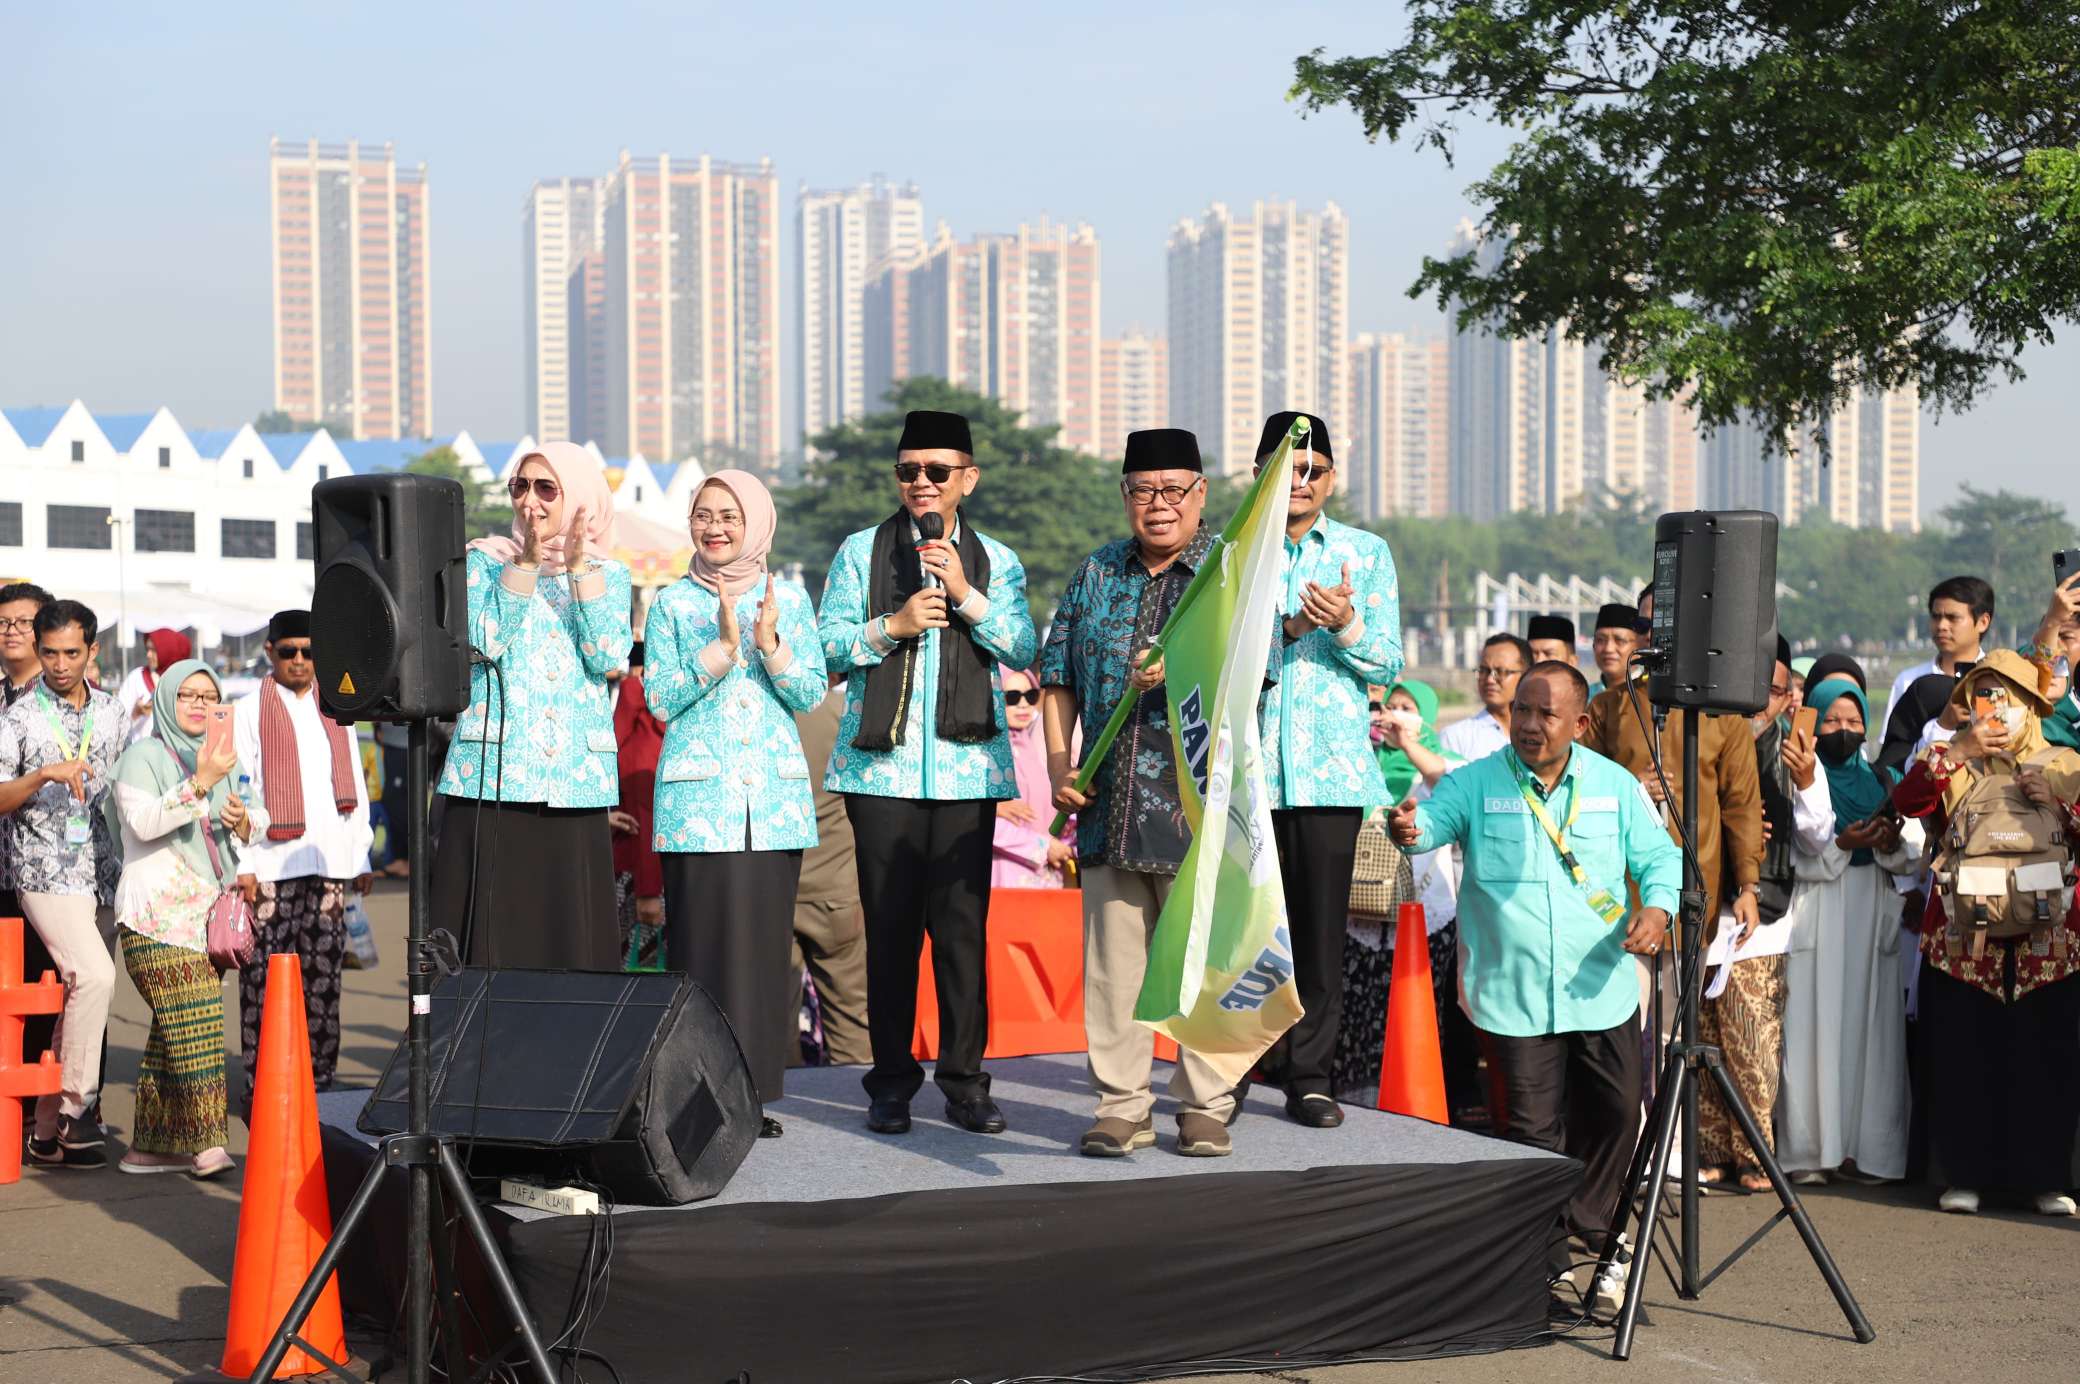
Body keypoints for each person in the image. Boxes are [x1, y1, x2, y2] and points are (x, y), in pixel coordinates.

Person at [1389, 660, 1678, 1309]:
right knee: (1532, 1130)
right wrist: (1407, 830)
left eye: (1545, 714)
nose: (1528, 723)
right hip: (1511, 992)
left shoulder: (1612, 785)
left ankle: (1597, 1232)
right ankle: (1548, 1260)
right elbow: (1428, 824)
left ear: (1578, 723)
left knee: (1615, 1113)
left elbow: (1661, 857)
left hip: (1600, 986)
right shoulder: (1476, 781)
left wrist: (1657, 909)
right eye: (1521, 709)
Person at [819, 410, 1038, 1137]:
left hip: (968, 772)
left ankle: (965, 1082)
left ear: (967, 479)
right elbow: (826, 647)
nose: (922, 483)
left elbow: (1021, 644)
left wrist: (965, 595)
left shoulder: (997, 560)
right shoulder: (859, 552)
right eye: (909, 470)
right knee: (888, 933)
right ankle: (889, 1082)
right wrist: (895, 625)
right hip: (879, 775)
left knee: (961, 934)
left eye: (937, 471)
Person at [1042, 427, 1242, 1158]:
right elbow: (1055, 673)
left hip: (1196, 806)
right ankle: (1122, 1104)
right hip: (1109, 801)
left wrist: (1180, 668)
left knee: (1199, 959)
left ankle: (1203, 1101)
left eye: (1173, 490)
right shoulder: (1095, 573)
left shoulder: (1229, 572)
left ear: (1201, 495)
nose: (1158, 506)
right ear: (1125, 496)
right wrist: (1064, 765)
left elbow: (1256, 677)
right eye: (1142, 491)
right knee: (1112, 964)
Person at [647, 471, 827, 1135]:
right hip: (699, 808)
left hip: (773, 808)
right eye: (703, 514)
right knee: (701, 954)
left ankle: (751, 1098)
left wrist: (769, 644)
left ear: (755, 522)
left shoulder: (792, 601)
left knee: (761, 960)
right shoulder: (669, 604)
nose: (715, 526)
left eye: (728, 514)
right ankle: (694, 1098)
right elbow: (661, 699)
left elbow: (810, 693)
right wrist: (721, 650)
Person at [1248, 412, 1406, 1128]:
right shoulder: (1233, 553)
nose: (1302, 482)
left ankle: (1311, 1074)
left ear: (1332, 477)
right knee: (1248, 926)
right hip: (1248, 770)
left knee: (1317, 931)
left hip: (1329, 774)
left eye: (1314, 470)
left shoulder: (1364, 554)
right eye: (1289, 470)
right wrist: (1289, 628)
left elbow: (1387, 664)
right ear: (1260, 477)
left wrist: (1343, 625)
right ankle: (1244, 1061)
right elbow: (1220, 660)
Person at [431, 441, 632, 970]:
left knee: (569, 945)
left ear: (582, 497)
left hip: (574, 783)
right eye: (521, 487)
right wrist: (523, 565)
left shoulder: (608, 574)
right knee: (490, 945)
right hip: (493, 776)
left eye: (547, 488)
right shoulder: (482, 560)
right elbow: (482, 641)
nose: (530, 502)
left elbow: (608, 654)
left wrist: (579, 570)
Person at [1893, 650, 2080, 1215]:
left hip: (2048, 941)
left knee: (2045, 1052)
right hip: (1961, 937)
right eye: (1984, 695)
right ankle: (1962, 1174)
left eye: (2006, 697)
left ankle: (2045, 1178)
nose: (1994, 708)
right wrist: (1959, 753)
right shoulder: (1948, 758)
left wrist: (2061, 809)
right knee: (1961, 1052)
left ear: (2030, 706)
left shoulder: (2066, 762)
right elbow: (1907, 804)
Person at [104, 659, 249, 1177]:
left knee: (172, 1034)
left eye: (208, 697)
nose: (199, 705)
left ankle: (149, 1147)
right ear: (166, 697)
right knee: (198, 1022)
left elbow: (244, 828)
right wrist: (201, 784)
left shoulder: (219, 756)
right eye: (187, 694)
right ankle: (208, 1143)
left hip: (203, 922)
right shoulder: (142, 755)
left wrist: (241, 819)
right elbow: (142, 824)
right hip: (152, 919)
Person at [229, 610, 374, 1106]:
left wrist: (361, 859)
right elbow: (238, 791)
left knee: (323, 979)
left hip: (330, 864)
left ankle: (319, 1083)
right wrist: (242, 862)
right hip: (269, 866)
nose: (299, 660)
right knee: (264, 980)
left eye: (308, 652)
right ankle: (263, 1083)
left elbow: (355, 783)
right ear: (270, 652)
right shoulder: (248, 711)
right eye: (288, 650)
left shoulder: (337, 707)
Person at [0, 600, 126, 1168]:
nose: (58, 664)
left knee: (80, 992)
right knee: (94, 975)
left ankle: (46, 1134)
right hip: (44, 869)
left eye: (71, 652)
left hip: (102, 870)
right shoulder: (19, 717)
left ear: (91, 651)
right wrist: (44, 773)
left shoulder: (115, 712)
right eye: (48, 652)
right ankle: (79, 1108)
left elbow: (127, 789)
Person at [1777, 664, 1913, 1185]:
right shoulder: (1793, 774)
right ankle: (1811, 1154)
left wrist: (1888, 842)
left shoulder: (1881, 779)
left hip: (1871, 908)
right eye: (1829, 719)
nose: (1841, 730)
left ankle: (1868, 1150)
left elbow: (1913, 850)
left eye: (1852, 719)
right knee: (1813, 1027)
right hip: (1817, 907)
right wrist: (1841, 844)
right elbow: (1798, 846)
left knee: (1871, 1031)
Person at [1696, 637, 1796, 1191]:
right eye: (1752, 689)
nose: (1761, 701)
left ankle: (1756, 1156)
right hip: (1708, 906)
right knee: (1706, 1039)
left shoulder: (1790, 749)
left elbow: (1804, 831)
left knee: (1753, 1046)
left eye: (1773, 691)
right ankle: (1712, 1150)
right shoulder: (1709, 734)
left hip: (1760, 916)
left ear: (1788, 697)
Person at [1333, 680, 1464, 1104]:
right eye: (1390, 706)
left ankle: (1413, 1096)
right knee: (1357, 1010)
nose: (1395, 714)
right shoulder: (1362, 759)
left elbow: (1443, 778)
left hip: (1425, 914)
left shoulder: (1438, 761)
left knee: (1413, 1010)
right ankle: (1355, 1096)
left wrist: (1406, 742)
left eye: (1408, 708)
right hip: (1362, 908)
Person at [792, 678, 871, 1067]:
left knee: (775, 1024)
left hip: (776, 886)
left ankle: (779, 1113)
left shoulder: (764, 715)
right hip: (838, 887)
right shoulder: (845, 714)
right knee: (853, 1020)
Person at [1, 582, 57, 1083]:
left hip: (54, 874)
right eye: (3, 623)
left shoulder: (69, 700)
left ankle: (63, 1107)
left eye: (22, 622)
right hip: (2, 873)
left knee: (55, 989)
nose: (11, 632)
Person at [610, 640, 666, 969]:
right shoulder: (659, 736)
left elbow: (646, 820)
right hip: (652, 877)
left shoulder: (637, 746)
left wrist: (647, 892)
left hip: (639, 879)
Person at [992, 667, 1075, 888]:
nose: (1023, 704)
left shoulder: (1037, 750)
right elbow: (977, 820)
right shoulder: (985, 756)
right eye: (1011, 697)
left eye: (1031, 696)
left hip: (1048, 874)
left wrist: (1065, 843)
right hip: (1005, 874)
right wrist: (1042, 847)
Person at [1886, 576, 1995, 718]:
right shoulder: (1908, 681)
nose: (1941, 626)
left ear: (1983, 622)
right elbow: (1893, 739)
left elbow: (1995, 736)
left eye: (1953, 618)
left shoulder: (1995, 679)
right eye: (1936, 617)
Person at [1440, 633, 1529, 764]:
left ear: (1526, 676)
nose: (1490, 680)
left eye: (1501, 671)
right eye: (1484, 670)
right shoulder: (1455, 737)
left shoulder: (1539, 735)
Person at [115, 629, 193, 747]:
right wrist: (136, 713)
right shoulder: (137, 678)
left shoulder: (186, 682)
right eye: (148, 649)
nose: (148, 655)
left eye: (154, 650)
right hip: (141, 756)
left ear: (168, 651)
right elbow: (115, 724)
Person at [1591, 604, 1639, 692]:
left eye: (1620, 640)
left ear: (1639, 647)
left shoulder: (1651, 694)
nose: (1609, 649)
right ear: (1593, 645)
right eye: (1601, 640)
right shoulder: (1584, 697)